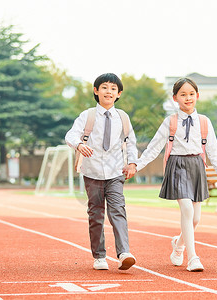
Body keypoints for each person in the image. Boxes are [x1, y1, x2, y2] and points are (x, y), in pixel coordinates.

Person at [126, 77, 217, 272]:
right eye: (183, 94)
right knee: (186, 208)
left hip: (197, 166)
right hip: (177, 165)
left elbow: (214, 150)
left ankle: (179, 245)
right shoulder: (170, 122)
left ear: (197, 96)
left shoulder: (204, 122)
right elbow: (153, 148)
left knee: (196, 218)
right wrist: (136, 166)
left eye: (191, 94)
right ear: (175, 98)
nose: (188, 98)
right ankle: (193, 258)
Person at [65, 73, 138, 271]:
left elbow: (130, 142)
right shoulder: (87, 115)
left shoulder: (122, 117)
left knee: (118, 210)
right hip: (92, 172)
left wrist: (132, 163)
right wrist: (79, 144)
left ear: (119, 94)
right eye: (104, 87)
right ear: (96, 91)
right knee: (96, 214)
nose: (109, 91)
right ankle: (99, 256)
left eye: (113, 88)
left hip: (115, 172)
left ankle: (124, 253)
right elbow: (71, 134)